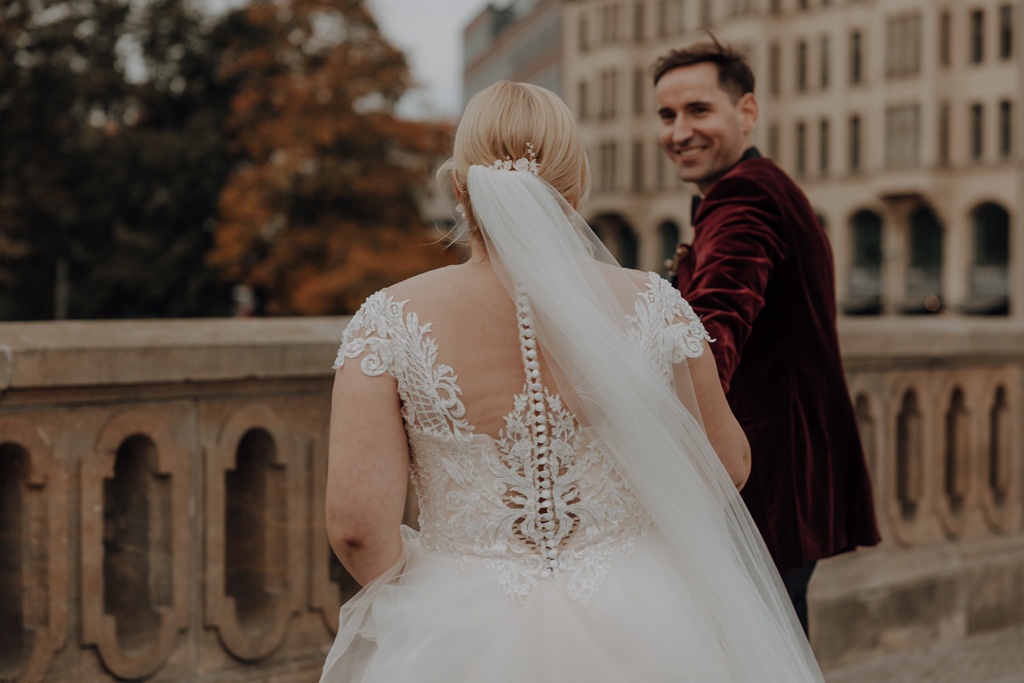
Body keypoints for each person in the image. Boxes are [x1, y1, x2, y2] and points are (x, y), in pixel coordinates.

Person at [321, 80, 825, 682]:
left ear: (459, 187)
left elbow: (356, 528)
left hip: (457, 625)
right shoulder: (651, 303)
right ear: (575, 187)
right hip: (644, 614)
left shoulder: (388, 320)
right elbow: (726, 464)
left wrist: (432, 601)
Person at [654, 38, 881, 635]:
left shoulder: (743, 197)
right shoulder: (768, 186)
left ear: (746, 111)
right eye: (667, 115)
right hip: (792, 481)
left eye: (698, 110)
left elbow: (713, 331)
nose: (679, 131)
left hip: (763, 488)